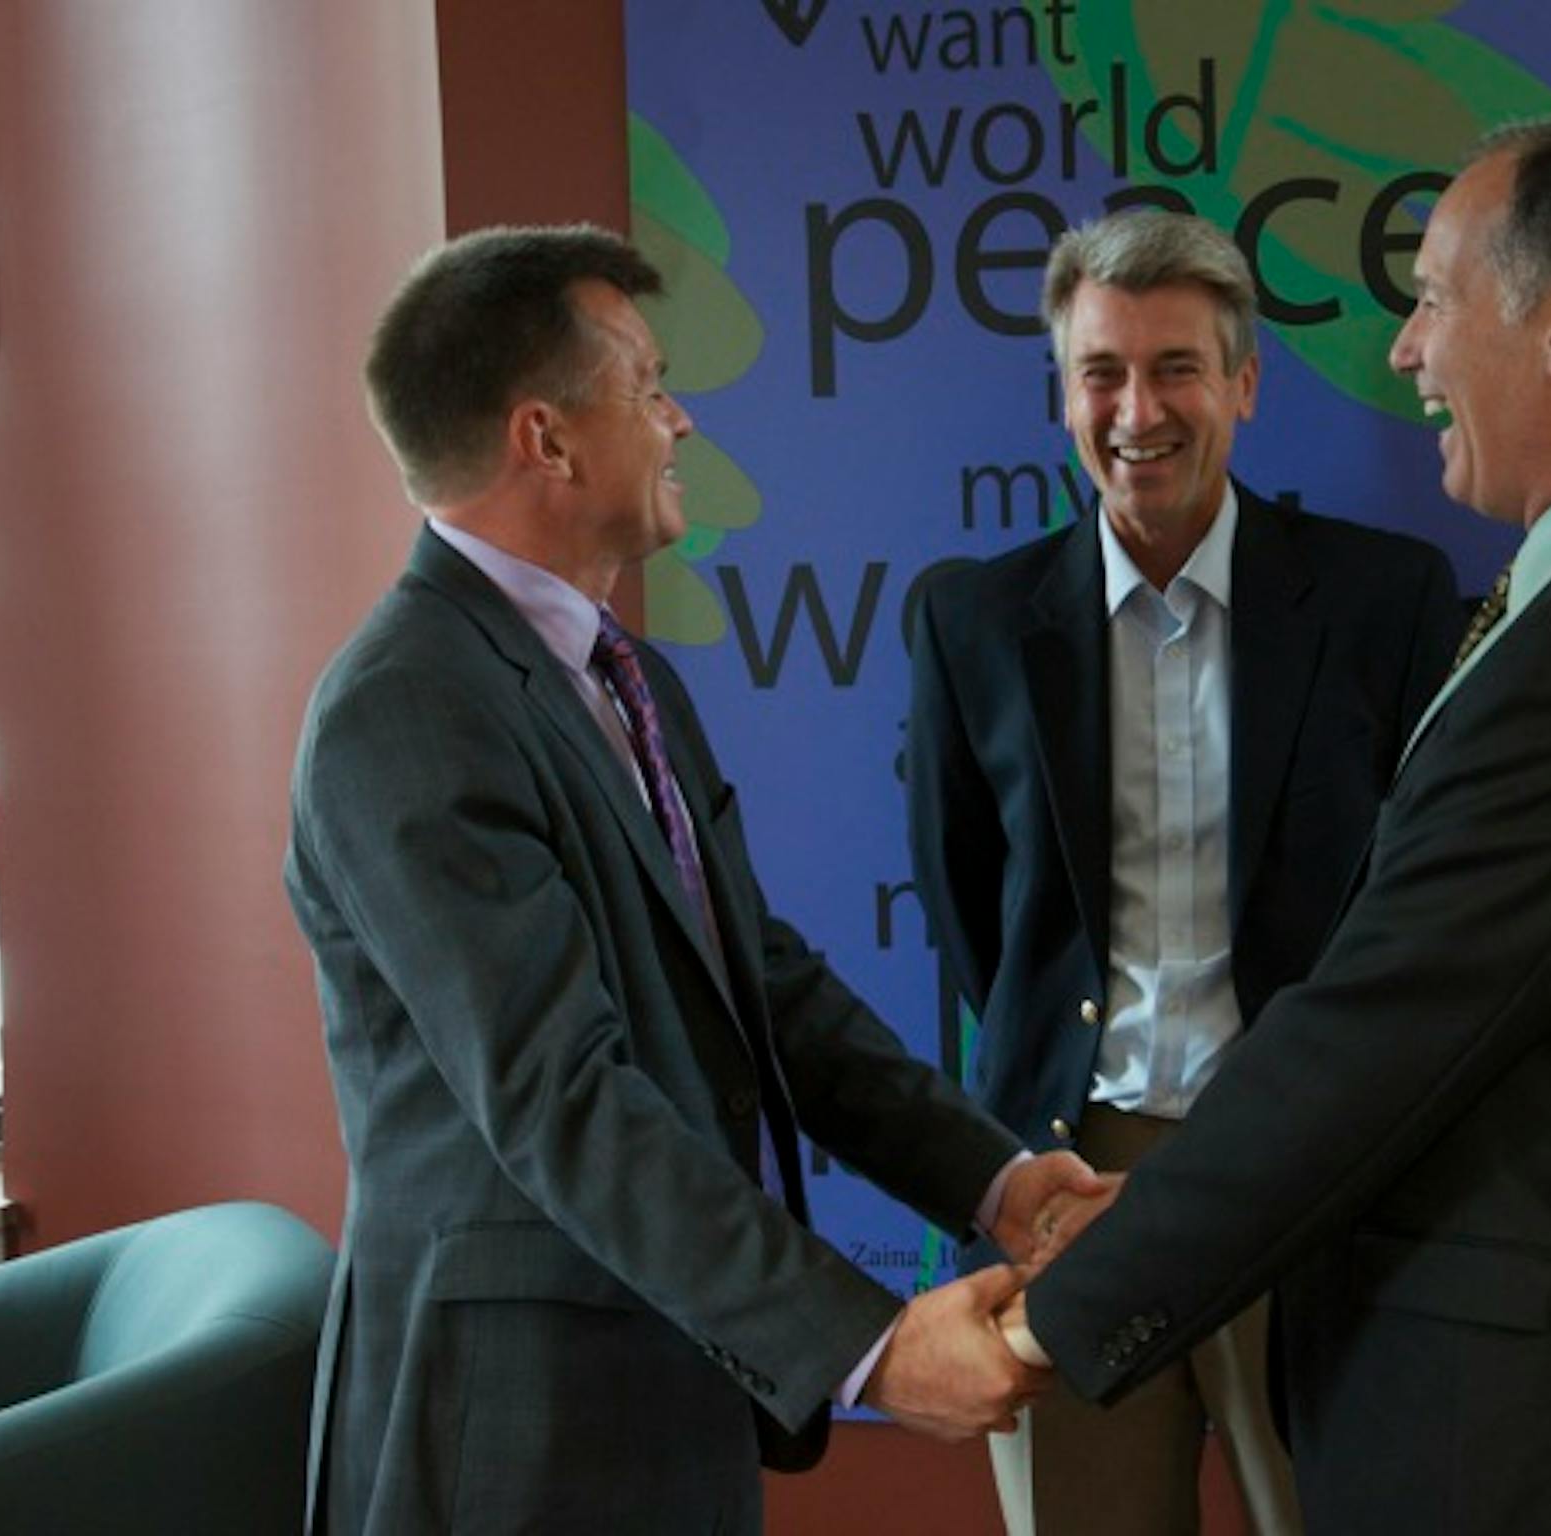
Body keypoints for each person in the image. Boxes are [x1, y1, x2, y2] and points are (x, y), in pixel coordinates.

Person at [1003, 108, 1551, 1534]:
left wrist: (1031, 1331)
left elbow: (1373, 1035)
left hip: (1544, 1448)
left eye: (1432, 300)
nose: (1405, 349)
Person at [285, 224, 1104, 1535]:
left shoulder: (628, 677)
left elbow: (758, 985)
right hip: (517, 1433)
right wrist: (872, 1348)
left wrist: (996, 1182)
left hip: (671, 1376)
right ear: (546, 440)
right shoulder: (405, 709)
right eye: (650, 383)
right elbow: (562, 1099)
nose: (680, 419)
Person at [905, 209, 1462, 1535]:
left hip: (1311, 1177)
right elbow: (969, 905)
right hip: (1072, 1194)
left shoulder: (1385, 603)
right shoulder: (972, 622)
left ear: (1245, 385)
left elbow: (1428, 908)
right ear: (1063, 394)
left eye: (1176, 368)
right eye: (1101, 371)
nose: (1136, 409)